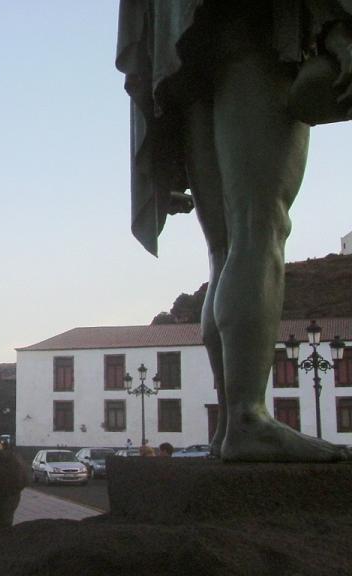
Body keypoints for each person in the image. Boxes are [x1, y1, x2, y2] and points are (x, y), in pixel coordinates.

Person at [116, 1, 352, 462]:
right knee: (260, 230)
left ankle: (230, 424)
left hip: (187, 49)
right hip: (251, 31)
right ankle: (248, 417)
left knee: (225, 248)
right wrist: (337, 30)